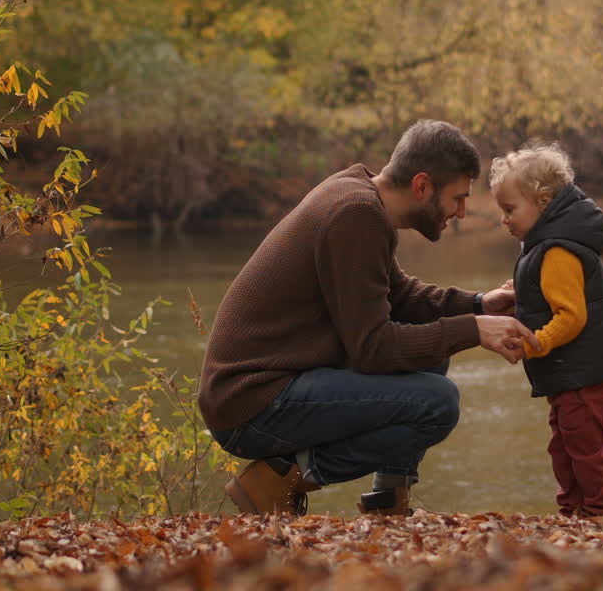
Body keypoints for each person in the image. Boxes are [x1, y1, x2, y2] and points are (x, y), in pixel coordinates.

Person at [198, 120, 541, 517]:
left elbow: (400, 296)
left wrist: (480, 304)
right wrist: (473, 329)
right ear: (422, 186)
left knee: (432, 358)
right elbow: (373, 350)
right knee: (438, 402)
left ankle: (389, 499)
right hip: (251, 402)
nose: (462, 212)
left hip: (270, 386)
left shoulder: (359, 197)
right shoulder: (355, 214)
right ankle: (276, 480)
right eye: (457, 199)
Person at [488, 141, 603, 517]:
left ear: (544, 201)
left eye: (510, 209)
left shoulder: (557, 251)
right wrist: (519, 294)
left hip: (587, 372)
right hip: (571, 374)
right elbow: (548, 296)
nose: (504, 218)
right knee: (564, 445)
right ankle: (573, 510)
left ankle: (601, 513)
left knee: (585, 447)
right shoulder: (543, 246)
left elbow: (571, 316)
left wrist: (537, 342)